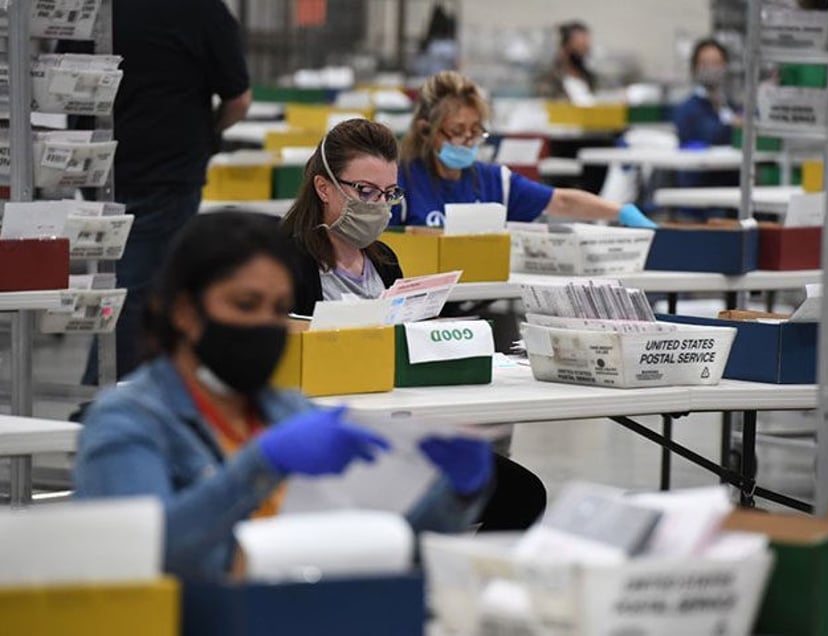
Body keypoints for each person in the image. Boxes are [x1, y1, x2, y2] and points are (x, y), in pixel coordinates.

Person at [74, 211, 495, 580]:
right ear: (184, 312)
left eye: (278, 310)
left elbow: (378, 547)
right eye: (245, 304)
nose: (265, 324)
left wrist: (453, 495)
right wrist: (262, 465)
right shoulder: (129, 421)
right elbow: (146, 556)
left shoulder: (286, 410)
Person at [280, 118, 547, 532]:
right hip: (331, 434)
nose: (378, 205)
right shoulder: (283, 259)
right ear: (324, 187)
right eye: (365, 191)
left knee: (522, 493)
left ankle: (449, 580)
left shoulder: (383, 260)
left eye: (388, 194)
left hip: (399, 425)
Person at [79, 0, 253, 384]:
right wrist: (208, 134)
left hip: (93, 165)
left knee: (118, 286)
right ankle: (100, 402)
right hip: (168, 171)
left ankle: (122, 396)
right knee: (136, 295)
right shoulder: (201, 10)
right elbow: (238, 100)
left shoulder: (95, 7)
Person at [395, 71, 655, 230]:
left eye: (475, 131)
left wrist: (620, 211)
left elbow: (561, 201)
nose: (467, 139)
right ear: (426, 129)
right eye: (456, 130)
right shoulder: (401, 184)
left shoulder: (494, 182)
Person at [672, 38, 741, 203]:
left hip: (731, 183)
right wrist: (733, 126)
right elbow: (711, 135)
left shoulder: (729, 105)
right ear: (695, 68)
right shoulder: (687, 109)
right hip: (700, 185)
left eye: (716, 63)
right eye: (705, 63)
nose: (712, 69)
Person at [536, 21, 596, 104]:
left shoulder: (589, 78)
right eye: (579, 45)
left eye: (585, 47)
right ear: (565, 46)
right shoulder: (550, 79)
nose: (583, 51)